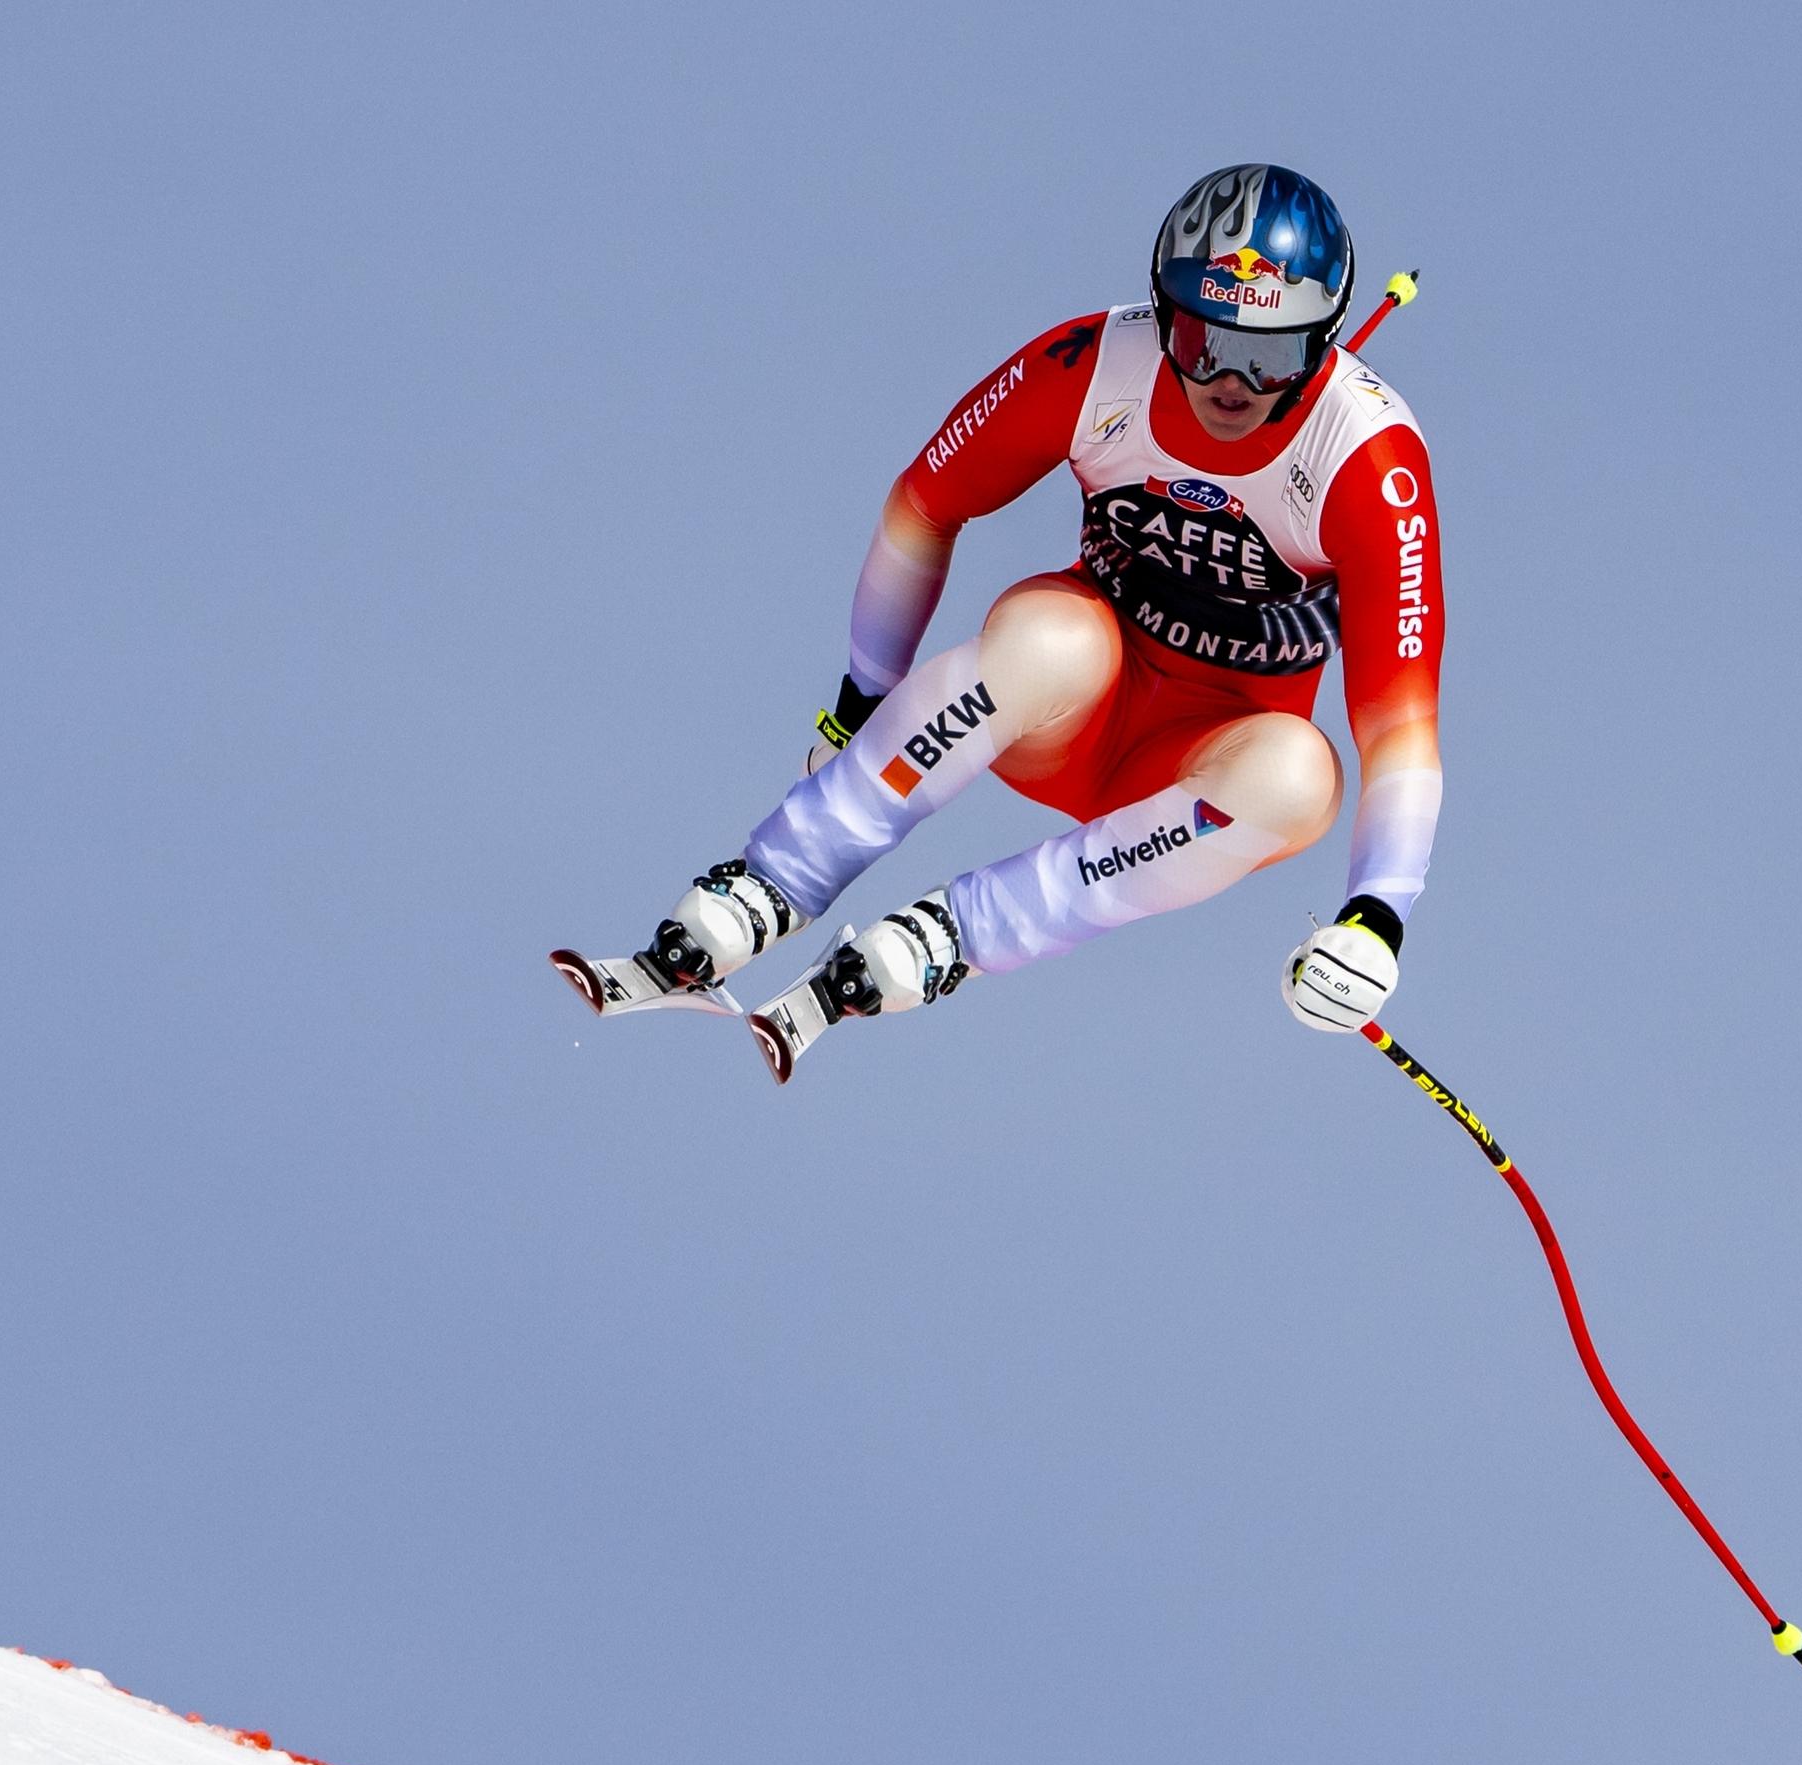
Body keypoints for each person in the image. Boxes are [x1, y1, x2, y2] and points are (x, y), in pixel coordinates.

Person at [551, 163, 1445, 1082]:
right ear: (1160, 307)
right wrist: (861, 704)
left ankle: (953, 935)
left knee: (1301, 777)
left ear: (1325, 343)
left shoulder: (1367, 462)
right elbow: (922, 506)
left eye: (1273, 355)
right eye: (1202, 338)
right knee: (1052, 638)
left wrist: (1377, 915)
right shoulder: (1099, 364)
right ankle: (776, 879)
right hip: (1065, 706)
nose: (1230, 382)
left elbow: (1401, 727)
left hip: (1188, 780)